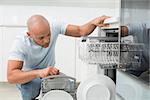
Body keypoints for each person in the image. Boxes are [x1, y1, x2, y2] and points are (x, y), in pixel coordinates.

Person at [7, 15, 110, 100]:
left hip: (50, 74)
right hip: (29, 77)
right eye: (41, 38)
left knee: (70, 88)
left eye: (48, 35)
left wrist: (93, 22)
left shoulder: (53, 25)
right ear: (29, 35)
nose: (47, 40)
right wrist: (38, 72)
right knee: (31, 89)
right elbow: (11, 76)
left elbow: (80, 31)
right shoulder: (20, 43)